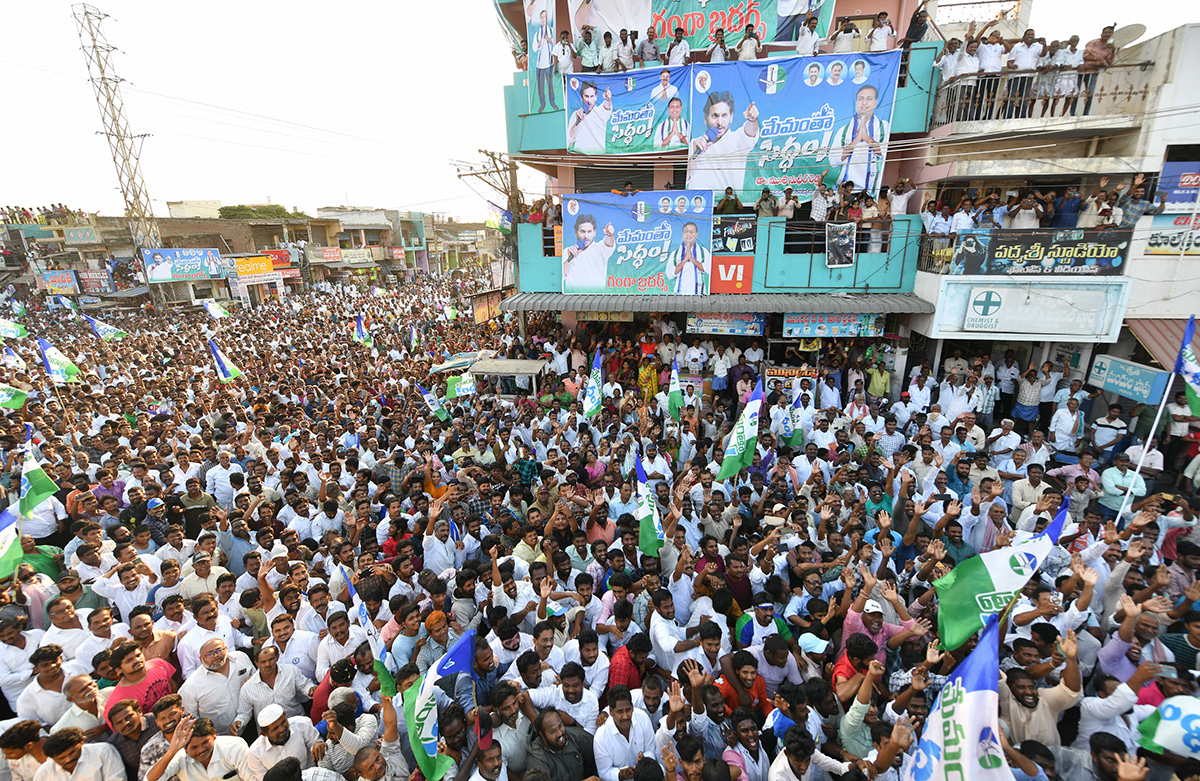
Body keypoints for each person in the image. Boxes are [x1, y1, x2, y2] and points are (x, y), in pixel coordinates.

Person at [687, 91, 759, 194]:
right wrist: (693, 155)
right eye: (715, 116)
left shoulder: (737, 139)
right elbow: (684, 179)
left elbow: (750, 132)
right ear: (705, 118)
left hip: (728, 204)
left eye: (724, 115)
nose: (720, 123)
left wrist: (752, 120)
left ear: (731, 117)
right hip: (698, 204)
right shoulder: (694, 145)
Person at [826, 86, 889, 195]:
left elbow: (883, 152)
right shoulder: (844, 130)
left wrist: (867, 138)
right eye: (861, 98)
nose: (864, 102)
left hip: (869, 191)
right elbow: (833, 161)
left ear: (876, 103)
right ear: (856, 103)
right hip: (844, 191)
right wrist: (856, 140)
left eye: (869, 98)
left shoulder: (883, 126)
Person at [665, 223, 711, 296]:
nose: (688, 234)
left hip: (699, 293)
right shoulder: (675, 253)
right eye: (686, 232)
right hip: (679, 294)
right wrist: (684, 260)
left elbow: (708, 270)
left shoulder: (703, 251)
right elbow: (669, 274)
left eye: (691, 232)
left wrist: (692, 259)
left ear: (696, 235)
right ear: (683, 235)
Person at [567, 83, 612, 155]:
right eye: (586, 96)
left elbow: (606, 107)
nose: (589, 100)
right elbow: (569, 139)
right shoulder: (576, 114)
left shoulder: (599, 111)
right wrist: (577, 122)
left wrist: (607, 99)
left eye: (592, 96)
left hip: (598, 156)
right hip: (580, 157)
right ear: (582, 97)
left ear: (596, 97)